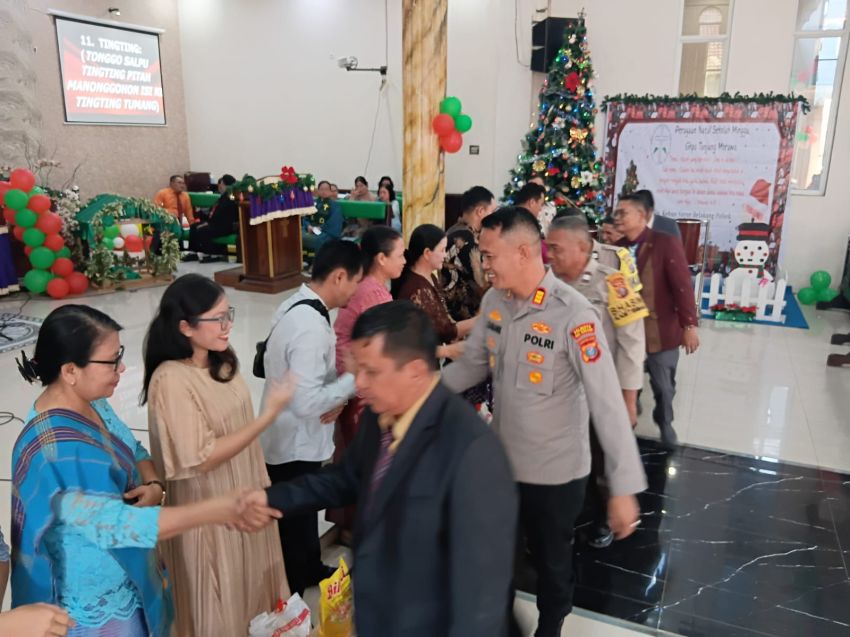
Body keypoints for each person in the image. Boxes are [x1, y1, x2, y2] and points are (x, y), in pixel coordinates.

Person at [244, 301, 518, 636]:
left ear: (415, 369)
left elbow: (480, 600)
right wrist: (273, 499)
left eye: (371, 371)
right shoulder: (383, 413)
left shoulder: (471, 452)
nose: (359, 383)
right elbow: (347, 478)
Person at [12, 305, 279, 637]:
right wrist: (216, 509)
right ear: (70, 371)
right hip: (99, 609)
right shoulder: (55, 451)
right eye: (111, 361)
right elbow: (121, 526)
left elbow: (132, 447)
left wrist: (154, 483)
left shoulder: (92, 400)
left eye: (119, 354)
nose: (122, 368)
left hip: (135, 576)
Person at [441, 207, 646, 637]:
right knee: (498, 558)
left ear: (521, 252)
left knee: (553, 562)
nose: (484, 264)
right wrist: (420, 397)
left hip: (556, 474)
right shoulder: (494, 302)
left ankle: (550, 626)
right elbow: (472, 365)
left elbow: (607, 404)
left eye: (490, 255)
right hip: (503, 466)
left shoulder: (573, 314)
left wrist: (623, 486)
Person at [142, 274, 292, 636]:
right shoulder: (171, 379)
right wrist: (267, 417)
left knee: (254, 592)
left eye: (229, 314)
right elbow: (201, 456)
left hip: (245, 495)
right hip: (209, 511)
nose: (227, 326)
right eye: (217, 318)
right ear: (185, 327)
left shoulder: (220, 361)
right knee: (220, 600)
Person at [260, 240, 362, 595]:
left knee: (302, 518)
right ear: (338, 276)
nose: (355, 291)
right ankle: (293, 593)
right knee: (295, 518)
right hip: (294, 440)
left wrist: (332, 394)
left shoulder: (298, 304)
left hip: (289, 432)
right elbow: (305, 403)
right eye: (355, 281)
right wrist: (351, 381)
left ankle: (308, 568)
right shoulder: (310, 327)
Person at [546, 215, 647, 548]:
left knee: (602, 457)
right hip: (561, 392)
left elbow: (632, 342)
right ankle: (566, 518)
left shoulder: (613, 281)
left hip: (600, 392)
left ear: (582, 248)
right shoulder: (548, 282)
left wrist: (629, 398)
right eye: (548, 248)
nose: (550, 256)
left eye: (557, 249)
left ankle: (602, 518)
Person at [328, 226, 405, 536]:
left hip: (356, 384)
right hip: (357, 387)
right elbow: (377, 352)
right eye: (399, 254)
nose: (404, 260)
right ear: (381, 258)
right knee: (365, 458)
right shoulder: (371, 293)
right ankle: (359, 527)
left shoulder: (374, 288)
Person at [614, 193, 699, 449]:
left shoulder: (664, 243)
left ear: (642, 215)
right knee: (627, 381)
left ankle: (664, 422)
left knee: (664, 387)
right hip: (627, 332)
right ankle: (628, 419)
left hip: (660, 331)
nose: (618, 218)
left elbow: (682, 285)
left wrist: (689, 326)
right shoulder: (618, 247)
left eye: (623, 213)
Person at [392, 224, 476, 359]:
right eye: (442, 250)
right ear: (427, 253)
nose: (445, 255)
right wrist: (482, 320)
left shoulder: (430, 276)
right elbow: (446, 331)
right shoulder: (417, 289)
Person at [441, 185, 497, 321]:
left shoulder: (456, 229)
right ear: (480, 211)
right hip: (461, 317)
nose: (495, 217)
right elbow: (484, 282)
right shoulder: (465, 238)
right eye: (493, 211)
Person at [182, 174, 239, 263]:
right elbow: (213, 213)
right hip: (215, 223)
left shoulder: (230, 198)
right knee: (193, 227)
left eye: (221, 184)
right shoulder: (223, 197)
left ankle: (213, 254)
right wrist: (203, 215)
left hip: (225, 226)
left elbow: (222, 216)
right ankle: (194, 252)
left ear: (226, 185)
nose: (219, 186)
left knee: (202, 230)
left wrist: (208, 222)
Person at [302, 180, 344, 253]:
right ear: (318, 191)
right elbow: (306, 218)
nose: (324, 191)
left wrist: (319, 228)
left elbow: (334, 222)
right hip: (310, 229)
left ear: (330, 192)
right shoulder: (313, 203)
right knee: (297, 235)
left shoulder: (335, 205)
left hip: (325, 232)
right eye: (321, 189)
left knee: (319, 239)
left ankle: (317, 261)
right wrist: (308, 226)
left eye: (326, 189)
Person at [513, 182, 550, 262]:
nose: (540, 209)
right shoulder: (522, 223)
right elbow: (539, 251)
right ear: (532, 202)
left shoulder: (510, 216)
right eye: (541, 204)